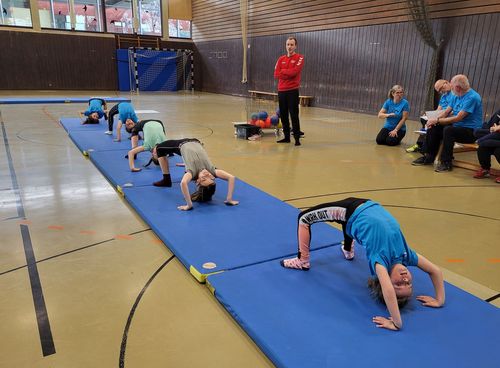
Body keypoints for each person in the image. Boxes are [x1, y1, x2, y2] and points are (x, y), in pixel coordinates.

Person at [280, 198, 445, 331]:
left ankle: (303, 260)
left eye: (399, 284)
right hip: (367, 206)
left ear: (384, 279)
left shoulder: (380, 261)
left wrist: (396, 323)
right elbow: (435, 271)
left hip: (350, 211)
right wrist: (439, 300)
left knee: (304, 218)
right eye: (409, 282)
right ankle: (347, 248)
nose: (404, 278)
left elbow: (387, 290)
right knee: (352, 227)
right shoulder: (406, 256)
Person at [412, 74, 483, 172]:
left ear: (458, 88)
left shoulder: (472, 97)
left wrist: (437, 120)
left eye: (452, 86)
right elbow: (446, 112)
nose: (451, 89)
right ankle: (428, 156)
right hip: (458, 127)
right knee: (434, 126)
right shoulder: (456, 96)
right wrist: (434, 120)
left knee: (448, 130)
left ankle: (447, 162)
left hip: (471, 131)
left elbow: (458, 118)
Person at [152, 138, 239, 211]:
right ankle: (185, 163)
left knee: (158, 148)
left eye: (204, 178)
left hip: (182, 144)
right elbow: (231, 177)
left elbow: (183, 183)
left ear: (197, 181)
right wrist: (229, 199)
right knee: (189, 160)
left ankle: (166, 179)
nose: (206, 174)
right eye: (209, 177)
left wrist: (189, 205)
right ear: (213, 177)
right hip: (196, 141)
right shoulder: (212, 171)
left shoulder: (191, 172)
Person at [407, 79, 454, 153]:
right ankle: (421, 144)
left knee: (431, 125)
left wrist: (438, 116)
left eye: (441, 88)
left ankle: (423, 146)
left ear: (446, 83)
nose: (442, 91)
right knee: (424, 119)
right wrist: (430, 114)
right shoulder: (444, 96)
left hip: (448, 118)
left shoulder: (455, 95)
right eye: (439, 91)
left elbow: (453, 111)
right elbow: (438, 110)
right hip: (441, 115)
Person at [274, 36, 304, 146]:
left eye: (291, 44)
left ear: (295, 46)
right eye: (288, 44)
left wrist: (284, 72)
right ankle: (286, 137)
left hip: (292, 91)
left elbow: (295, 72)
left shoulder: (300, 57)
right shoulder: (280, 59)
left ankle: (297, 139)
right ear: (285, 45)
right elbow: (276, 74)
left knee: (294, 115)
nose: (289, 47)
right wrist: (287, 73)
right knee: (283, 115)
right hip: (281, 91)